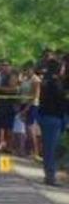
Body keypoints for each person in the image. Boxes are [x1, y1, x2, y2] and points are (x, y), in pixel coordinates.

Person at [37, 58, 67, 186]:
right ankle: (50, 176)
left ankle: (49, 174)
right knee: (51, 148)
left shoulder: (45, 80)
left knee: (48, 147)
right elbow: (61, 100)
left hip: (45, 116)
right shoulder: (55, 82)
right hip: (53, 117)